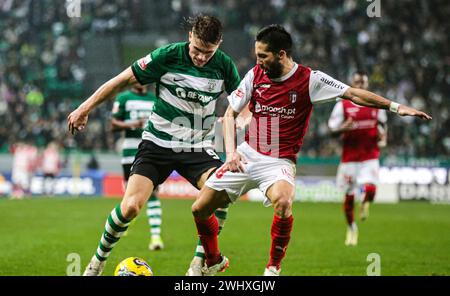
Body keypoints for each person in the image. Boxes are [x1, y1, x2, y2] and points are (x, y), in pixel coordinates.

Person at [190, 25, 431, 276]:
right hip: (247, 153)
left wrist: (395, 107)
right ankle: (215, 260)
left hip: (279, 162)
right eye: (257, 56)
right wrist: (231, 153)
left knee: (283, 201)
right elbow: (230, 114)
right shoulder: (254, 75)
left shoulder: (310, 79)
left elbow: (353, 94)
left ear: (281, 54)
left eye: (263, 56)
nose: (258, 62)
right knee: (199, 208)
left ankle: (273, 267)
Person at [67, 15, 241, 276]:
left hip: (198, 148)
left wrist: (242, 129)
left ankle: (199, 264)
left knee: (222, 190)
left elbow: (242, 103)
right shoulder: (167, 56)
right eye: (196, 49)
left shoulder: (225, 66)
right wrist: (84, 108)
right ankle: (97, 262)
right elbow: (121, 79)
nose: (201, 57)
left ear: (219, 45)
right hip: (157, 144)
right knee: (130, 207)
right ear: (189, 37)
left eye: (208, 52)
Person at [328, 71, 387, 246]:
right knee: (348, 196)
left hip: (370, 156)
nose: (360, 85)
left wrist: (383, 138)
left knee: (371, 190)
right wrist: (342, 128)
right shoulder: (343, 105)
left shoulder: (376, 104)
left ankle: (365, 201)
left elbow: (383, 126)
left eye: (363, 82)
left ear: (367, 85)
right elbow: (331, 130)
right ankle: (352, 228)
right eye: (357, 82)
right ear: (352, 84)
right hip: (349, 158)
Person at [111, 82, 164, 250]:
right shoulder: (123, 98)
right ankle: (125, 219)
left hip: (152, 151)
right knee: (130, 194)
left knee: (154, 193)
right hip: (130, 152)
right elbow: (113, 124)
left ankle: (156, 237)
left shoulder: (155, 98)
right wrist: (132, 124)